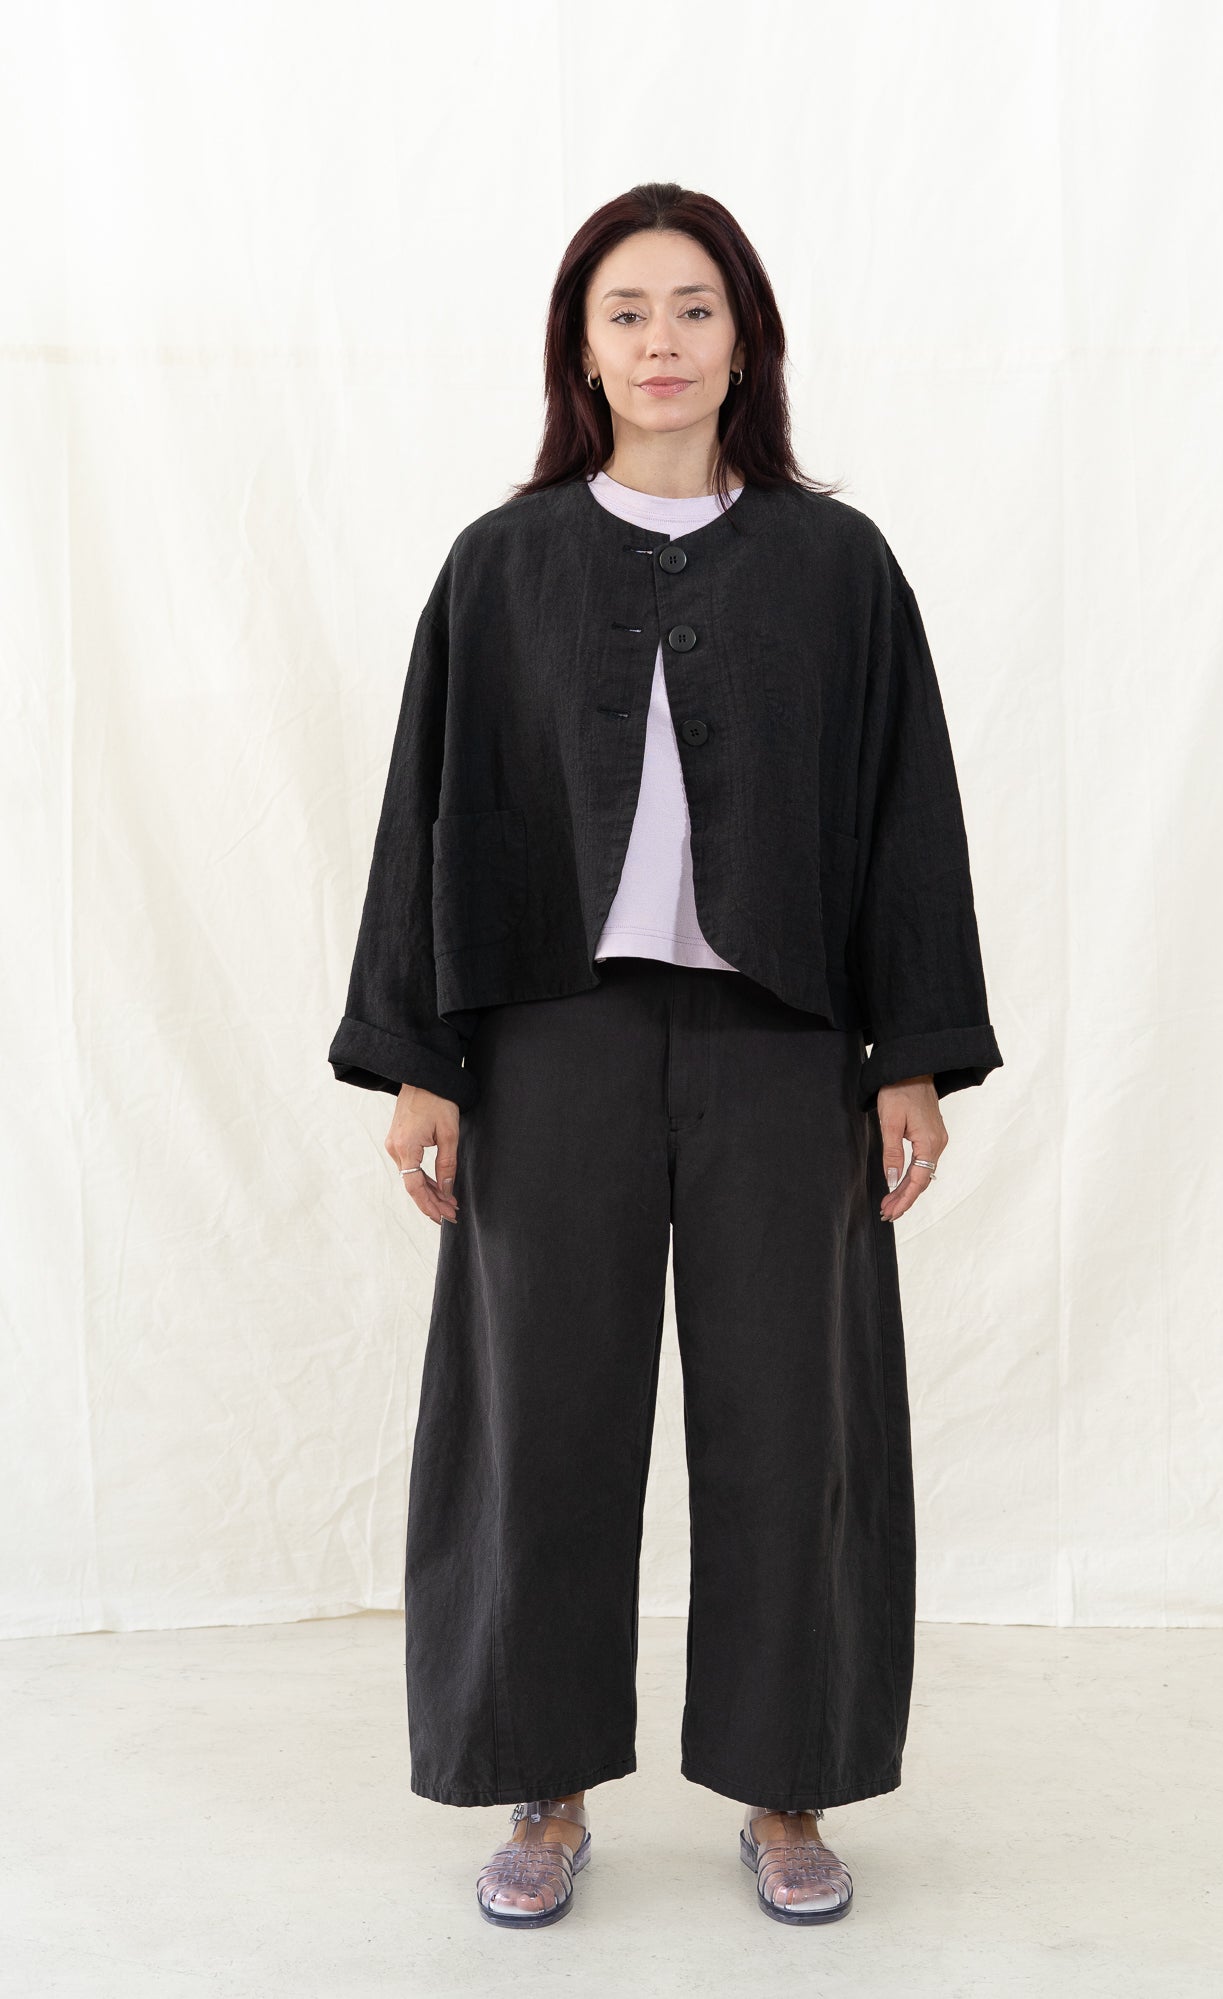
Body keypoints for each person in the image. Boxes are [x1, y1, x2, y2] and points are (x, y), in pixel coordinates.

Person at [328, 181, 1003, 1929]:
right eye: (624, 311)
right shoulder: (503, 565)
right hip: (548, 1037)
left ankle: (788, 1784)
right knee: (537, 1415)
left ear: (744, 341)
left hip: (784, 1043)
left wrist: (910, 1053)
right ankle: (541, 1783)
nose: (660, 342)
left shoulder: (836, 567)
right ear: (580, 347)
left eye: (693, 308)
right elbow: (429, 815)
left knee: (797, 1416)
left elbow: (905, 812)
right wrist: (421, 1058)